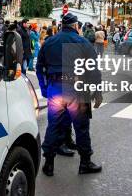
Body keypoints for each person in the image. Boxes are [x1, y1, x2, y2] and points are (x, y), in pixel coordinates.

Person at [36, 12, 103, 176]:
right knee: (81, 127)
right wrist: (97, 92)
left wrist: (44, 88)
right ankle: (85, 162)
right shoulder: (83, 42)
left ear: (62, 25)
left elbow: (39, 67)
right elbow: (93, 69)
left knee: (54, 125)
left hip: (56, 87)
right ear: (75, 26)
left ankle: (49, 162)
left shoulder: (49, 42)